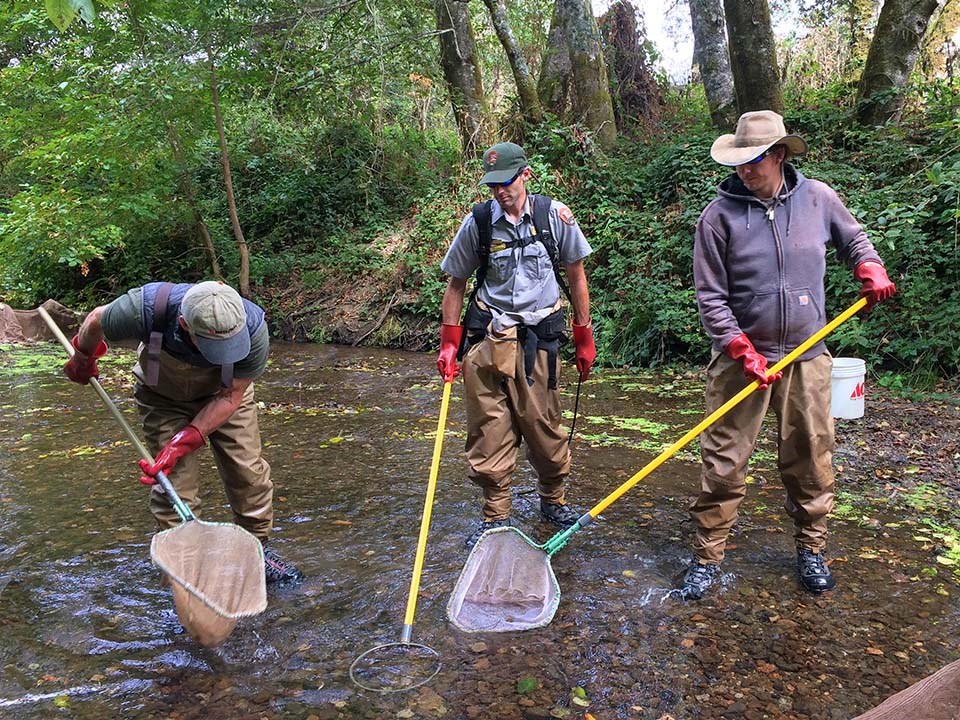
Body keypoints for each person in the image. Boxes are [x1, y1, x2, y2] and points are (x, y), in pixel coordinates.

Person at [680, 110, 896, 599]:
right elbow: (710, 298)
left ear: (778, 155)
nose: (744, 170)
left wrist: (869, 265)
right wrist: (741, 349)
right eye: (739, 162)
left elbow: (854, 239)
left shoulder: (818, 199)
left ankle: (812, 548)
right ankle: (707, 556)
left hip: (807, 355)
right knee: (723, 461)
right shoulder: (717, 218)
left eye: (753, 160)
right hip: (740, 362)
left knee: (811, 456)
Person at [63, 280, 303, 584]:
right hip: (163, 398)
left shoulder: (254, 329)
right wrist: (84, 357)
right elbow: (97, 318)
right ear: (184, 325)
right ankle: (183, 565)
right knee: (172, 484)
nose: (225, 352)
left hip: (226, 396)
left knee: (248, 473)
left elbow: (232, 397)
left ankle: (258, 549)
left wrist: (186, 439)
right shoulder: (144, 309)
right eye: (216, 346)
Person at [437, 141, 597, 549]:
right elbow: (456, 285)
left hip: (538, 340)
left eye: (506, 182)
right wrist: (449, 343)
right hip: (488, 340)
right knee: (488, 431)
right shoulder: (478, 223)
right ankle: (496, 516)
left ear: (525, 174)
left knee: (544, 429)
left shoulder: (554, 217)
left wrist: (584, 335)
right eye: (493, 185)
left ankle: (553, 500)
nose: (500, 192)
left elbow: (576, 275)